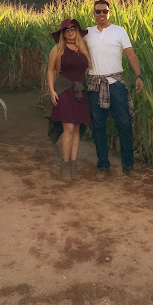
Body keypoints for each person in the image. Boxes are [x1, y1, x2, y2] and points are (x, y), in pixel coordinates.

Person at [85, 0, 144, 181]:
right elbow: (71, 46)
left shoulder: (119, 31)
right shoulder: (86, 32)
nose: (101, 14)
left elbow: (130, 54)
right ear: (93, 14)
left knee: (124, 124)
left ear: (109, 13)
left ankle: (128, 165)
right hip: (94, 84)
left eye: (105, 11)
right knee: (99, 127)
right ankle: (103, 165)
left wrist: (138, 76)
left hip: (116, 83)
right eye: (98, 11)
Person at [47, 18, 91, 182]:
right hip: (64, 91)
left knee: (77, 129)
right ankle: (65, 166)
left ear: (77, 31)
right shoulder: (58, 49)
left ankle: (74, 164)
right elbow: (50, 71)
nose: (70, 31)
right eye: (66, 29)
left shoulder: (84, 49)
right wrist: (51, 91)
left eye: (73, 28)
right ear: (62, 33)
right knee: (69, 129)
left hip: (80, 92)